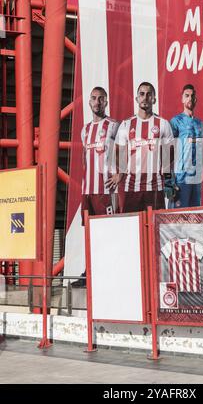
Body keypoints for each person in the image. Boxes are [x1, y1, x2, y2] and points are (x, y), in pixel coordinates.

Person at [72, 86, 119, 287]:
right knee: (89, 232)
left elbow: (123, 149)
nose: (97, 102)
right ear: (89, 102)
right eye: (94, 98)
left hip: (105, 189)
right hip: (87, 190)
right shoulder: (85, 130)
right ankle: (89, 272)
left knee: (108, 230)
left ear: (106, 102)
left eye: (101, 99)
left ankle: (109, 270)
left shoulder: (114, 125)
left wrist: (120, 173)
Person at [107, 82, 173, 212]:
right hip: (132, 188)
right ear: (137, 98)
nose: (145, 97)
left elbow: (169, 155)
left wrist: (168, 181)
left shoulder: (163, 124)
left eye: (149, 94)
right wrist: (120, 174)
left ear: (154, 99)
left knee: (155, 229)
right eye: (142, 94)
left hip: (155, 188)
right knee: (133, 229)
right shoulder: (126, 124)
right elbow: (119, 151)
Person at [168, 84, 203, 208]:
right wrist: (169, 179)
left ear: (196, 99)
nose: (190, 98)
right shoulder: (176, 121)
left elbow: (201, 149)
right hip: (181, 178)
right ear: (182, 99)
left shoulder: (199, 123)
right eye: (187, 96)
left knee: (194, 217)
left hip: (196, 179)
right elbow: (168, 151)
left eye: (192, 96)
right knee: (178, 217)